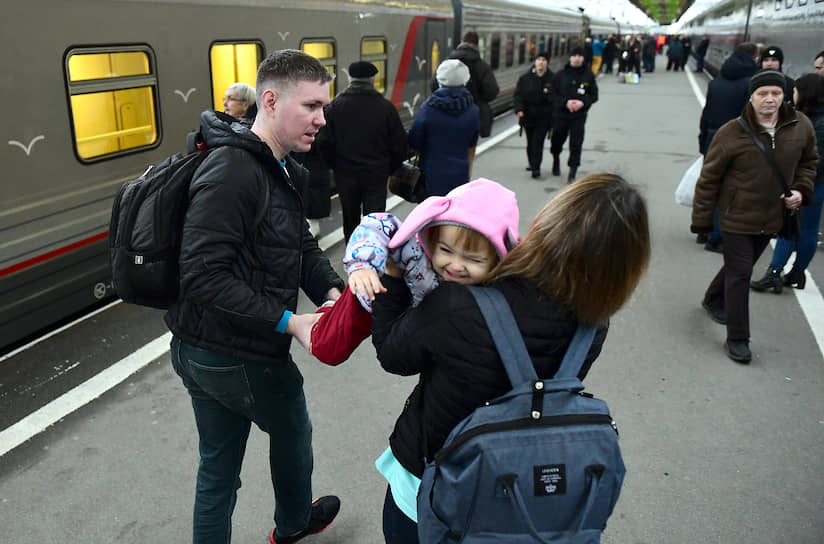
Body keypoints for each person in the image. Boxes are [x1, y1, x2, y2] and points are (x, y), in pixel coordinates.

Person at [371, 173, 651, 544]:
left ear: (548, 225)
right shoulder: (593, 327)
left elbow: (392, 353)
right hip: (518, 497)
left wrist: (392, 275)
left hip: (432, 487)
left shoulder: (458, 303)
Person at [166, 49, 347, 544]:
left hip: (202, 345)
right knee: (292, 433)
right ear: (270, 100)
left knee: (218, 467)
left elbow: (299, 242)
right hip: (238, 352)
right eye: (310, 106)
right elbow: (202, 275)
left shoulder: (281, 167)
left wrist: (330, 290)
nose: (321, 119)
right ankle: (292, 525)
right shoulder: (234, 172)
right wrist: (291, 322)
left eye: (323, 107)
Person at [308, 178, 521, 366]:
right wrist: (363, 266)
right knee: (328, 349)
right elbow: (376, 226)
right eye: (446, 250)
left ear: (498, 259)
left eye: (473, 259)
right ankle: (299, 323)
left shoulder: (495, 288)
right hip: (371, 291)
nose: (455, 265)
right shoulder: (414, 248)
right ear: (434, 237)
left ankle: (327, 314)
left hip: (408, 315)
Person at [691, 69, 817, 364]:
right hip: (736, 215)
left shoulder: (801, 126)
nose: (770, 99)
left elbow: (809, 163)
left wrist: (801, 189)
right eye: (763, 94)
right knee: (741, 272)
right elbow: (708, 179)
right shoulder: (731, 132)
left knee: (739, 266)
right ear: (751, 98)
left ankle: (712, 298)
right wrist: (702, 221)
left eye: (776, 93)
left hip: (773, 216)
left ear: (785, 96)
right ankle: (738, 338)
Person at [750, 73, 824, 292]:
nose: (793, 94)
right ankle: (797, 273)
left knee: (789, 227)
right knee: (808, 230)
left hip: (806, 183)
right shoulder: (814, 118)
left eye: (796, 90)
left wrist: (797, 183)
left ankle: (774, 273)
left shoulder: (814, 122)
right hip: (816, 185)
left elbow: (815, 159)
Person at [318, 61, 407, 241]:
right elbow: (399, 145)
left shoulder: (335, 107)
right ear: (373, 79)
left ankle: (353, 256)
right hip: (376, 174)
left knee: (350, 219)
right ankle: (373, 256)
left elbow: (323, 142)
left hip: (345, 174)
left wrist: (335, 166)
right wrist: (389, 169)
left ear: (350, 78)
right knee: (375, 220)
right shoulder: (385, 107)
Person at [697, 42, 761, 252]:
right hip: (736, 141)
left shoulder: (717, 81)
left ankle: (703, 230)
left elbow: (706, 113)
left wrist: (702, 138)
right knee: (729, 190)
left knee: (709, 186)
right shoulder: (750, 84)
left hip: (711, 137)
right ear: (754, 58)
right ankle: (716, 237)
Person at [409, 59, 480, 197]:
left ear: (439, 81)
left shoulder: (428, 108)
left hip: (431, 175)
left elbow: (414, 140)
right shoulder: (473, 110)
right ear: (465, 82)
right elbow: (472, 143)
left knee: (432, 213)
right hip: (460, 175)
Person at [550, 47, 598, 183]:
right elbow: (552, 95)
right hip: (561, 115)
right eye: (574, 55)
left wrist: (582, 103)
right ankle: (556, 158)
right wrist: (566, 102)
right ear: (570, 58)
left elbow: (594, 95)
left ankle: (572, 171)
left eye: (579, 56)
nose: (577, 58)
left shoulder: (588, 76)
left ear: (583, 58)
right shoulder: (560, 75)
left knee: (576, 143)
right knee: (557, 140)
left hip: (579, 116)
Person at [439, 31, 499, 138]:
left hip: (448, 115)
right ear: (477, 45)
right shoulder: (482, 66)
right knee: (468, 150)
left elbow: (433, 85)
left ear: (462, 42)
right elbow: (492, 91)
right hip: (473, 117)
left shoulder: (447, 63)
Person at [513, 51, 553, 178]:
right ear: (535, 62)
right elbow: (518, 95)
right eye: (539, 59)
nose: (541, 62)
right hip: (528, 116)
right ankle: (532, 162)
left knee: (538, 142)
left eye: (544, 60)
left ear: (547, 62)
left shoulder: (553, 79)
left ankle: (536, 168)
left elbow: (556, 97)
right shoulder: (525, 78)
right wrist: (519, 109)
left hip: (544, 117)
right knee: (530, 142)